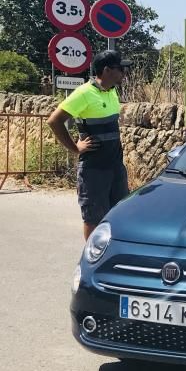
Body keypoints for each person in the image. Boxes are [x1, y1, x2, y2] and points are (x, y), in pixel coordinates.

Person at [47, 50, 131, 240]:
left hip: (116, 167)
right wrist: (75, 148)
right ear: (107, 70)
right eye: (120, 69)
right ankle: (92, 261)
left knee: (117, 215)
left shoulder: (112, 92)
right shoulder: (84, 93)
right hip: (94, 170)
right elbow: (54, 121)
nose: (124, 73)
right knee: (93, 218)